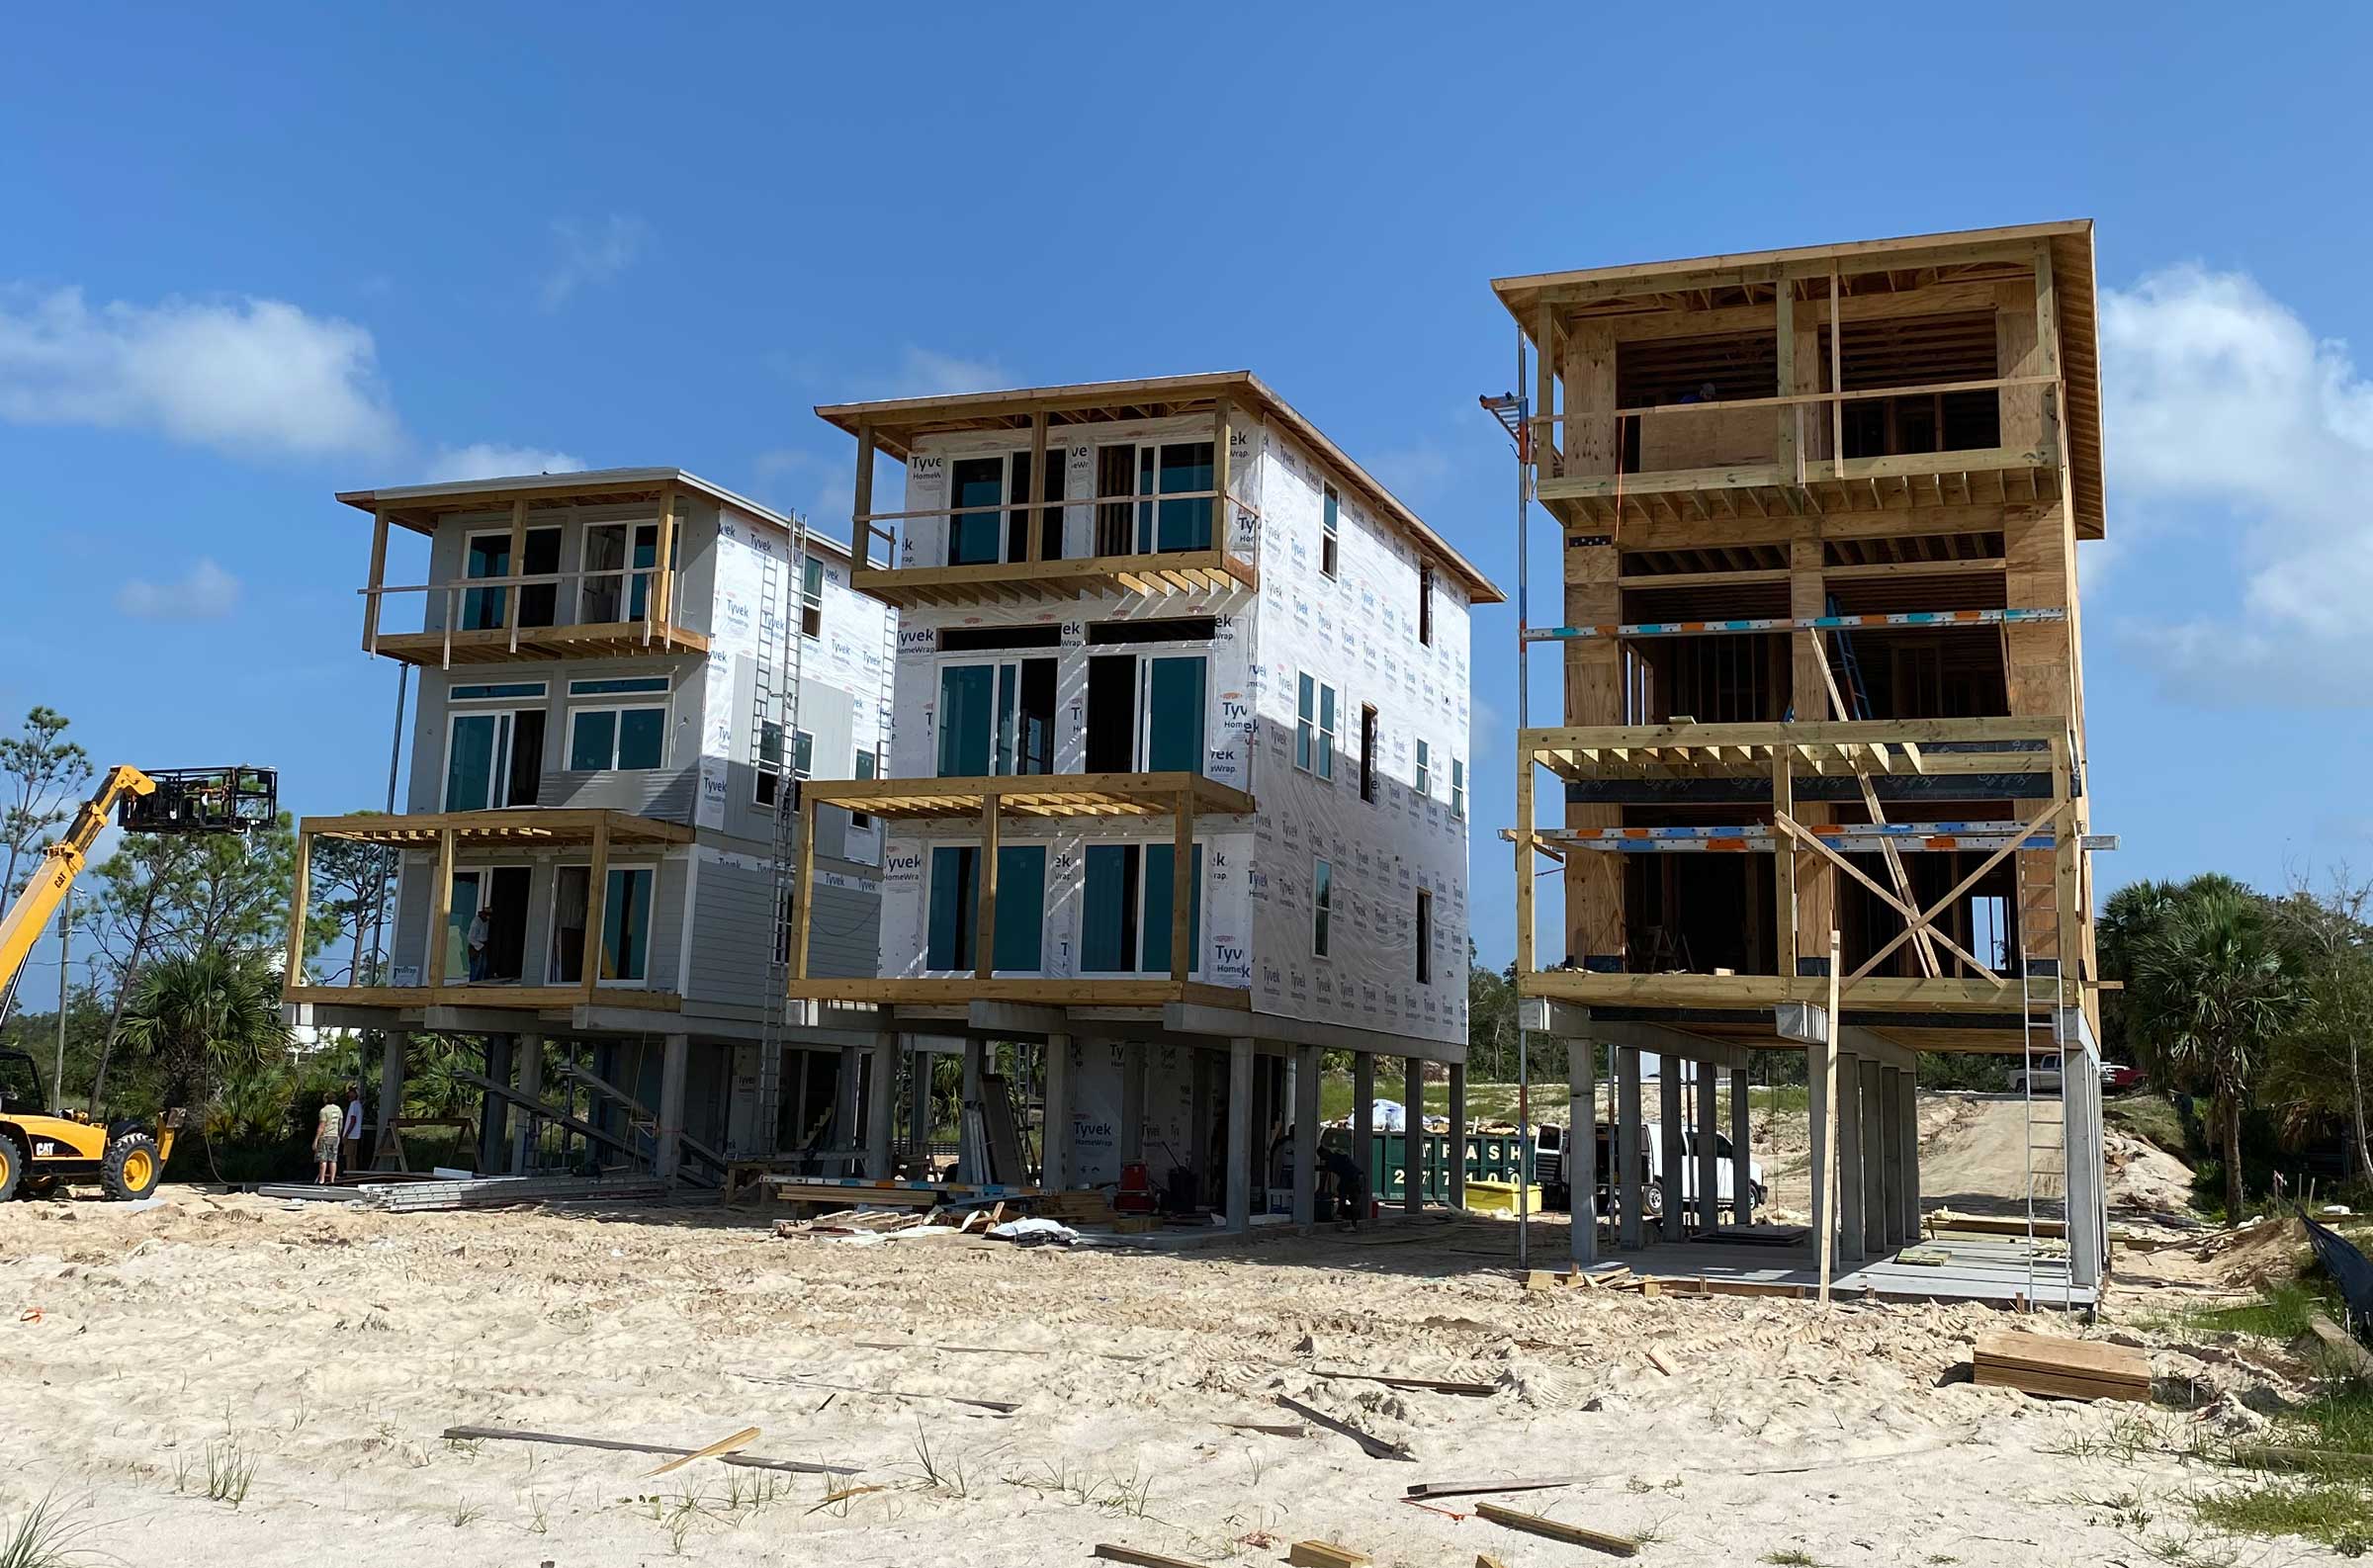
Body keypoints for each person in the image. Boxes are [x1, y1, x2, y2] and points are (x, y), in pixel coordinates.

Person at [313, 1093, 344, 1184]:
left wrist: (316, 1139)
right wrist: (339, 1134)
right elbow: (340, 1123)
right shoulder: (338, 1109)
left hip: (325, 1136)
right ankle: (332, 1179)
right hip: (335, 1136)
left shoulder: (324, 1110)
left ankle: (322, 1179)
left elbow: (322, 1125)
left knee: (323, 1159)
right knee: (333, 1159)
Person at [466, 904, 491, 982]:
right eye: (487, 915)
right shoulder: (476, 922)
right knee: (475, 969)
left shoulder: (486, 921)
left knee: (482, 969)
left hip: (483, 946)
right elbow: (470, 938)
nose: (488, 917)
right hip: (476, 948)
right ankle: (472, 986)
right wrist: (480, 946)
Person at [341, 1087, 365, 1172]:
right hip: (355, 1135)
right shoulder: (358, 1105)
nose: (349, 1094)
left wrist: (346, 1134)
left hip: (351, 1135)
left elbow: (353, 1120)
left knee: (349, 1156)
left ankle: (349, 1173)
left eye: (351, 1092)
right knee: (352, 1156)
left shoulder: (354, 1104)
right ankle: (352, 1173)